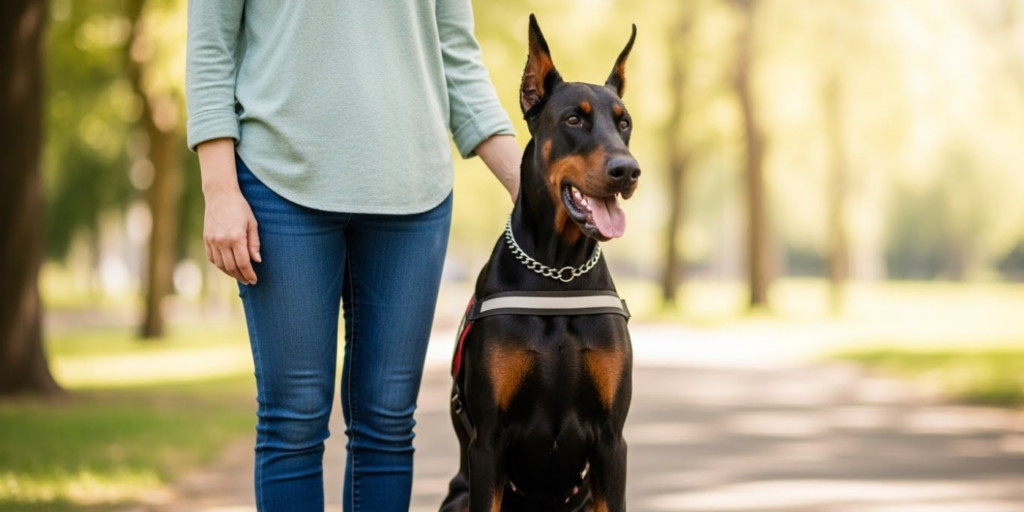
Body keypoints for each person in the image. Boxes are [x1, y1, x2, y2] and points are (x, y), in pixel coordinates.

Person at [185, 1, 521, 511]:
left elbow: (456, 58)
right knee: (293, 419)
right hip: (280, 183)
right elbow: (211, 48)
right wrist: (219, 190)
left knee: (387, 422)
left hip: (414, 193)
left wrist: (536, 190)